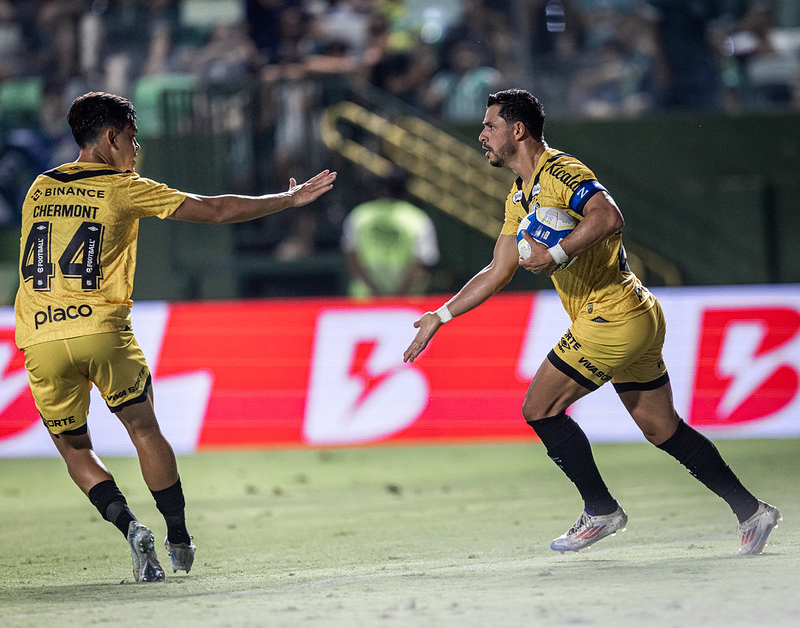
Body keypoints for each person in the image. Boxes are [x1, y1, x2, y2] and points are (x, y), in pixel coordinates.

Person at [403, 88, 780, 556]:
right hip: (635, 314)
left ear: (517, 131)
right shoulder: (519, 195)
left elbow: (609, 216)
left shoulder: (562, 172)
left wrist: (557, 252)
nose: (482, 135)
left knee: (538, 409)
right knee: (662, 428)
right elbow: (498, 270)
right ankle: (752, 512)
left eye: (489, 126)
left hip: (611, 316)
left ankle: (601, 510)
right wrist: (441, 315)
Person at [14, 91, 336, 582]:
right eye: (133, 139)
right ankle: (178, 537)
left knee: (75, 450)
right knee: (143, 430)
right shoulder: (124, 187)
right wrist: (288, 199)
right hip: (101, 328)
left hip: (38, 335)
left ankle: (129, 528)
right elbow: (215, 210)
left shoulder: (39, 187)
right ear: (111, 137)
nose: (136, 150)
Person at [341, 174, 439, 298]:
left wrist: (374, 290)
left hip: (365, 299)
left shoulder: (360, 214)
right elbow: (420, 263)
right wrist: (400, 294)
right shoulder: (418, 218)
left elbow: (351, 256)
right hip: (406, 302)